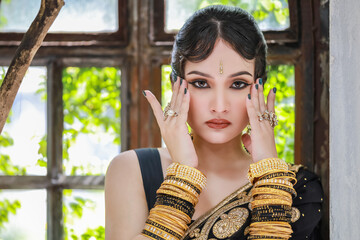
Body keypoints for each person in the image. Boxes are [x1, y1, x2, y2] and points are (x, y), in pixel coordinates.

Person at [105, 5, 323, 240]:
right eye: (201, 83)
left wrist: (270, 176)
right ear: (175, 87)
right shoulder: (133, 170)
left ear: (259, 89)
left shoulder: (297, 187)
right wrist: (183, 174)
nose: (219, 106)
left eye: (238, 84)